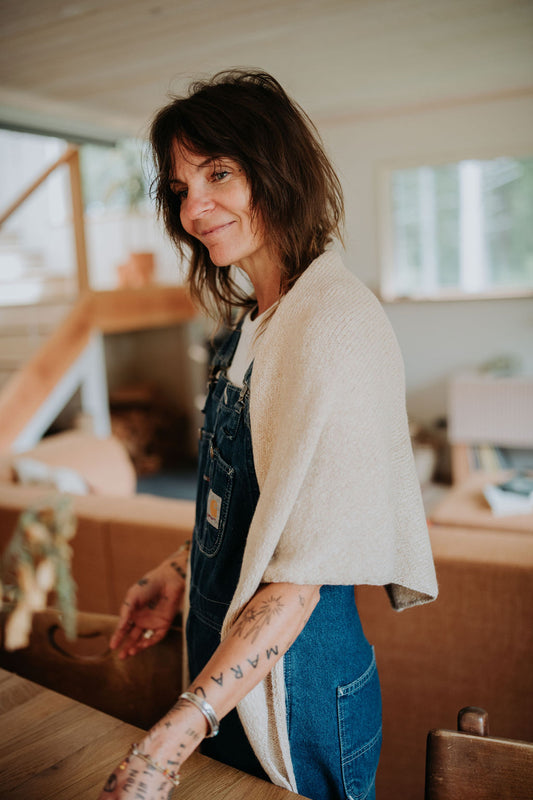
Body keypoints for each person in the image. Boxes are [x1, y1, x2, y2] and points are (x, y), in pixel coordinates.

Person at [97, 69, 438, 800]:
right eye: (180, 187)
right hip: (227, 682)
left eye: (218, 172)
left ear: (275, 169)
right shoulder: (251, 326)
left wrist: (169, 741)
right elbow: (257, 504)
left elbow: (300, 573)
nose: (195, 206)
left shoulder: (333, 324)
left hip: (299, 696)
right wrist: (177, 570)